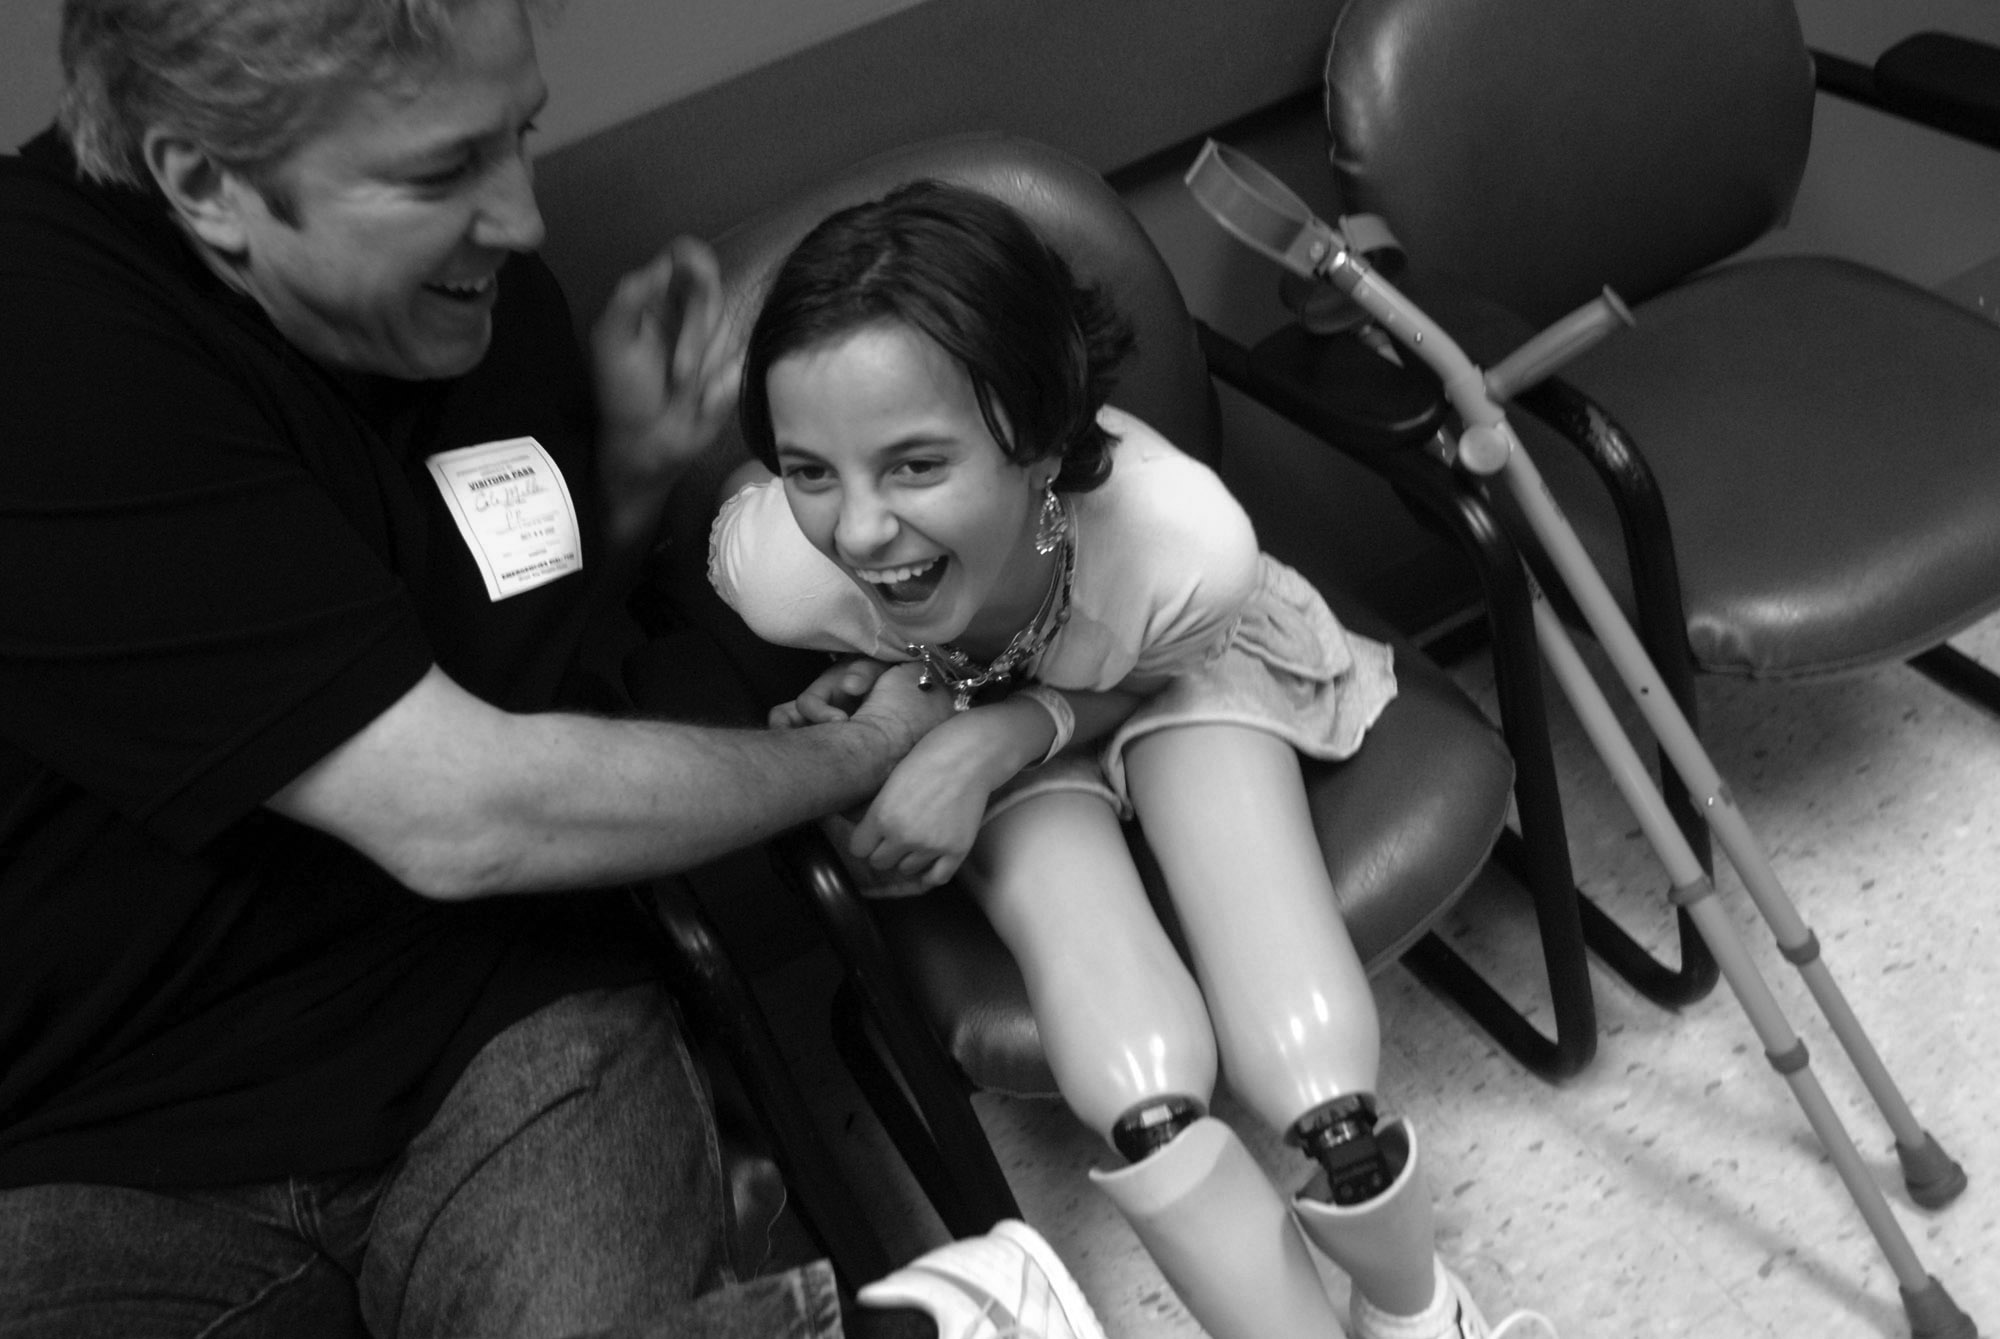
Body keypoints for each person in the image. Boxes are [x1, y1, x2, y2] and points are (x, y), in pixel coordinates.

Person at [0, 2, 1107, 1337]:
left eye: (517, 136)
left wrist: (628, 475)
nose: (523, 218)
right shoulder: (47, 334)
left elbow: (512, 639)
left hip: (497, 1012)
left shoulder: (477, 303)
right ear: (203, 182)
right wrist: (872, 749)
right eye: (441, 170)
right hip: (95, 1136)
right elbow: (456, 807)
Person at [709, 181, 1558, 1339]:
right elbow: (752, 521)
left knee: (1307, 1060)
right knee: (1136, 1071)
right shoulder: (784, 571)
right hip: (972, 695)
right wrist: (897, 714)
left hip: (1168, 662)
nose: (856, 529)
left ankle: (1420, 1309)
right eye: (812, 472)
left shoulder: (1180, 543)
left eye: (914, 465)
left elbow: (1154, 667)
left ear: (1041, 434)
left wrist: (1001, 734)